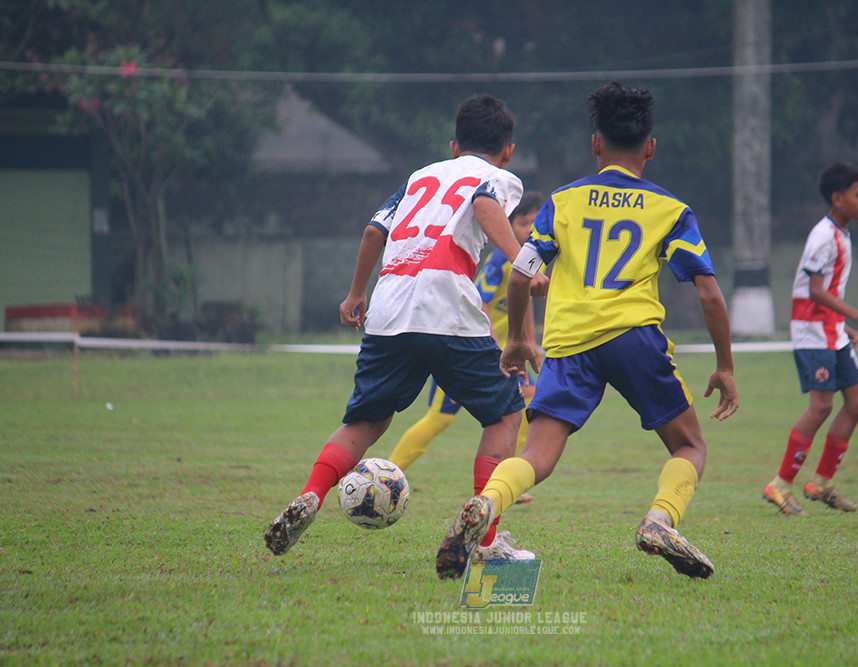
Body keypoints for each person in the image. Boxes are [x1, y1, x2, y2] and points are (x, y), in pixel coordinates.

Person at [435, 82, 739, 581]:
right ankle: (661, 519)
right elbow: (708, 292)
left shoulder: (562, 201)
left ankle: (487, 504)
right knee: (689, 446)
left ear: (595, 144)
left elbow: (520, 272)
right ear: (650, 148)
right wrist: (725, 366)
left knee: (538, 454)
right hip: (634, 337)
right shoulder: (671, 210)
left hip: (568, 343)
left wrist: (517, 339)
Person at [264, 94, 535, 561]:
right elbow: (488, 205)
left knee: (365, 420)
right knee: (505, 414)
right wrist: (524, 261)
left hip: (389, 306)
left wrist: (355, 294)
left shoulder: (419, 177)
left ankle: (312, 493)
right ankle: (486, 541)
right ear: (507, 150)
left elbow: (374, 232)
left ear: (453, 146)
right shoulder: (498, 177)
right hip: (446, 304)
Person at [387, 193, 547, 505]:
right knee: (439, 419)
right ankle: (387, 474)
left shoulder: (528, 258)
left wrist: (528, 342)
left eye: (534, 223)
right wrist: (492, 343)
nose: (529, 229)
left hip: (507, 355)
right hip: (475, 348)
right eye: (522, 222)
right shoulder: (502, 259)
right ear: (506, 225)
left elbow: (523, 299)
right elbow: (479, 300)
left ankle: (506, 481)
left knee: (527, 407)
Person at [761, 160, 858, 516]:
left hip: (830, 331)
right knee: (820, 407)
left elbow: (823, 291)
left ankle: (821, 483)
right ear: (837, 198)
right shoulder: (823, 236)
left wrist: (842, 325)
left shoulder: (842, 234)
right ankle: (780, 485)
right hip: (811, 332)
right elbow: (815, 291)